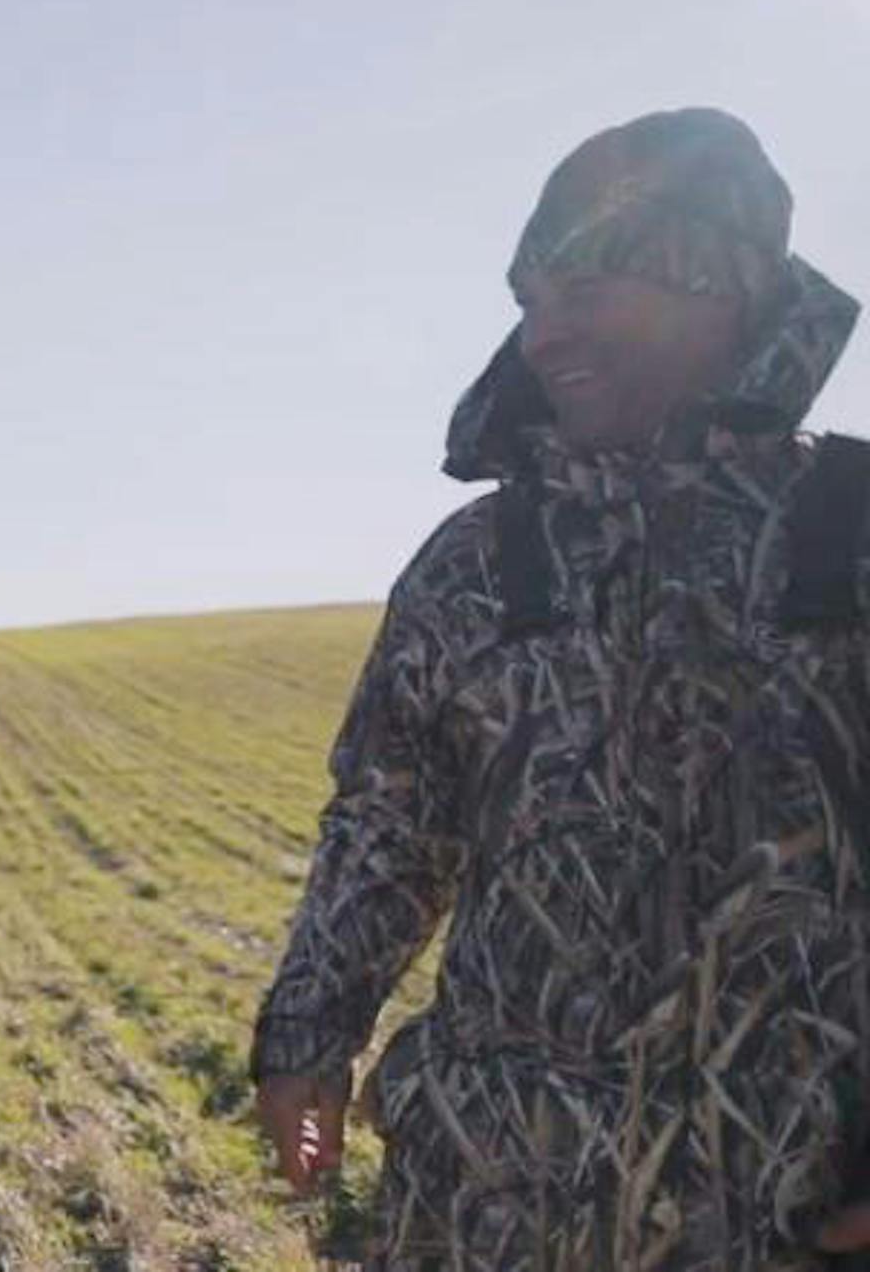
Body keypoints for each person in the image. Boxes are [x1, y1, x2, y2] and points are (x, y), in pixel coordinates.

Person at [250, 108, 869, 1268]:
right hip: (483, 1212)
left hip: (788, 1214)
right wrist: (307, 1035)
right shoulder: (478, 561)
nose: (542, 336)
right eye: (531, 301)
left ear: (719, 283)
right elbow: (387, 827)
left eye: (586, 287)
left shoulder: (848, 531)